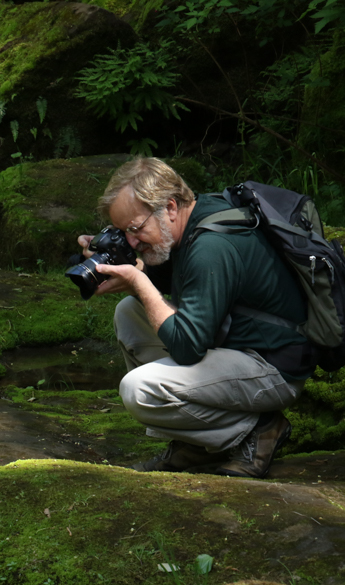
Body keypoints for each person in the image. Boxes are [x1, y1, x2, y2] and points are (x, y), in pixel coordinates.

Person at [77, 157, 316, 478]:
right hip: (234, 343)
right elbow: (181, 280)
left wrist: (139, 282)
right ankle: (195, 445)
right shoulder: (194, 219)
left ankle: (259, 428)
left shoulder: (210, 247)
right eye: (122, 232)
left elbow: (188, 347)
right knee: (130, 313)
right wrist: (121, 262)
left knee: (139, 390)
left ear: (171, 207)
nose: (131, 242)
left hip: (271, 368)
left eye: (135, 229)